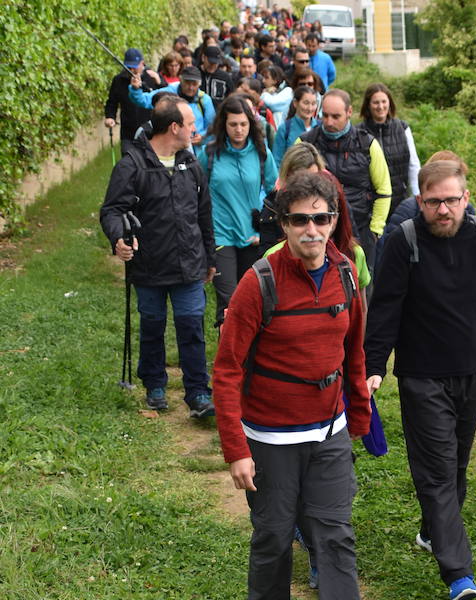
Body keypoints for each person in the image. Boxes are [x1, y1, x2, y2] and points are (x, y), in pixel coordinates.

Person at [365, 160, 476, 600]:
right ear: (420, 202)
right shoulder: (403, 242)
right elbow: (385, 310)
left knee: (454, 466)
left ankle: (432, 531)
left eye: (452, 200)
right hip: (421, 377)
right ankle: (459, 575)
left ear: (466, 199)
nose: (444, 210)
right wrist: (373, 366)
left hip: (472, 372)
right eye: (434, 202)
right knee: (436, 473)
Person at [214, 171, 370, 600]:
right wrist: (236, 450)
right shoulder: (258, 282)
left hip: (329, 432)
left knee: (335, 535)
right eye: (299, 220)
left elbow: (353, 351)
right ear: (283, 224)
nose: (311, 230)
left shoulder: (346, 274)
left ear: (334, 221)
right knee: (274, 538)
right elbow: (227, 370)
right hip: (270, 438)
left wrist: (358, 414)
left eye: (321, 219)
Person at [99, 95, 216, 419]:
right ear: (174, 127)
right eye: (191, 124)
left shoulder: (190, 163)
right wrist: (117, 239)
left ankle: (198, 393)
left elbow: (204, 213)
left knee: (192, 328)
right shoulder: (132, 165)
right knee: (152, 326)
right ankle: (155, 386)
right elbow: (112, 211)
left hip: (189, 263)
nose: (196, 128)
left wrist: (210, 256)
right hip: (149, 264)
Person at [197, 95, 277, 329]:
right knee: (228, 304)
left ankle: (249, 360)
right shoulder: (209, 155)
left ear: (251, 124)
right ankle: (228, 361)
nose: (239, 129)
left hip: (252, 237)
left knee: (252, 302)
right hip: (220, 236)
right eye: (233, 124)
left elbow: (275, 194)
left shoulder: (263, 154)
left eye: (243, 124)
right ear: (224, 125)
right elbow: (196, 191)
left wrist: (266, 233)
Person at [301, 89, 391, 264]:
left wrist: (375, 230)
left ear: (349, 112)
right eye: (324, 116)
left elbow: (383, 189)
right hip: (317, 230)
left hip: (361, 229)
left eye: (336, 116)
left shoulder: (368, 144)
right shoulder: (306, 143)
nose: (328, 122)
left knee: (362, 284)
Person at [358, 83, 421, 216]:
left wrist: (417, 197)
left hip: (399, 203)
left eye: (383, 102)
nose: (380, 107)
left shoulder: (402, 128)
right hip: (371, 206)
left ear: (390, 103)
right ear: (368, 105)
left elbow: (413, 166)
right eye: (375, 102)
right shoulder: (358, 132)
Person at [129, 66, 215, 151]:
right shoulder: (169, 93)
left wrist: (202, 137)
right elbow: (144, 100)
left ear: (199, 84)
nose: (191, 87)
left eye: (194, 84)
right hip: (173, 146)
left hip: (198, 150)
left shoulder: (204, 100)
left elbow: (213, 126)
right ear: (181, 80)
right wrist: (135, 89)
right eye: (188, 83)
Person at [104, 48, 163, 154]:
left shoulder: (152, 77)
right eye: (129, 67)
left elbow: (167, 97)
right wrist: (110, 117)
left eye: (136, 67)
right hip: (128, 133)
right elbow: (112, 102)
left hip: (150, 132)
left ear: (142, 63)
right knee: (129, 163)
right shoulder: (118, 80)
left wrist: (159, 83)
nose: (133, 71)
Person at [272, 85, 319, 167]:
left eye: (313, 104)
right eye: (306, 103)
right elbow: (277, 160)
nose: (310, 108)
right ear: (295, 103)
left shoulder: (320, 127)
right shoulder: (285, 129)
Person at [259, 64, 293, 128]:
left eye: (266, 78)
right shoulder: (268, 92)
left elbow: (273, 104)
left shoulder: (288, 91)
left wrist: (264, 93)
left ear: (275, 80)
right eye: (263, 77)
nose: (263, 81)